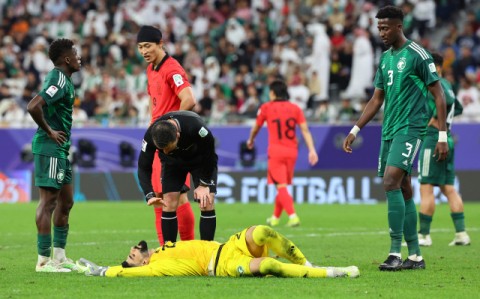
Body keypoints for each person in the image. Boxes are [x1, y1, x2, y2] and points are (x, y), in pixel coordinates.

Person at [343, 6, 449, 271]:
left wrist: (443, 135)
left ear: (399, 26)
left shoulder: (417, 55)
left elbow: (439, 94)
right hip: (389, 131)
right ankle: (415, 256)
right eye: (379, 28)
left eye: (386, 28)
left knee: (390, 181)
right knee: (403, 189)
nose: (382, 32)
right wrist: (355, 129)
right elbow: (377, 98)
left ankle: (394, 252)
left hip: (411, 129)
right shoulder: (386, 59)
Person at [77, 225, 359, 279]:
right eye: (131, 258)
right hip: (223, 265)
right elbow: (129, 275)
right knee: (270, 266)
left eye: (131, 253)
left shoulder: (161, 248)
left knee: (262, 231)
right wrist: (103, 270)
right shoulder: (156, 266)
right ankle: (331, 273)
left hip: (230, 245)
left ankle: (307, 262)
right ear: (141, 264)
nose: (132, 252)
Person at [137, 25, 197, 246]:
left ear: (160, 44)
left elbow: (189, 99)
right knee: (167, 197)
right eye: (140, 47)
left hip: (169, 142)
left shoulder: (171, 68)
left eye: (148, 46)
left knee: (170, 198)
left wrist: (174, 129)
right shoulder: (151, 68)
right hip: (159, 139)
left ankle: (179, 248)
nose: (144, 51)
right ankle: (175, 249)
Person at [26, 39, 82, 272]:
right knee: (48, 202)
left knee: (66, 201)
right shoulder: (58, 78)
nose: (79, 58)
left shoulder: (65, 79)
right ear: (66, 59)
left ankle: (59, 257)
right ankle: (43, 261)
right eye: (76, 54)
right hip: (49, 148)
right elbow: (33, 106)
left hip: (61, 149)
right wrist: (49, 131)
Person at [409, 52, 470, 247]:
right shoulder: (448, 85)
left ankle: (424, 236)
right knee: (449, 188)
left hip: (434, 139)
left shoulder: (436, 85)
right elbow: (457, 107)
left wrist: (434, 118)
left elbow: (447, 103)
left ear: (433, 67)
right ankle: (461, 234)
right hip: (447, 138)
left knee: (425, 187)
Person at [137, 111, 217, 243]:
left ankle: (207, 253)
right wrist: (149, 194)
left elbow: (210, 154)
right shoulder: (151, 135)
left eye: (168, 147)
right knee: (168, 201)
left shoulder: (195, 126)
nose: (165, 151)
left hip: (200, 160)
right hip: (172, 163)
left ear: (178, 136)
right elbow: (143, 167)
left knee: (206, 201)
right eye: (161, 149)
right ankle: (170, 251)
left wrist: (204, 184)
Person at [246, 80, 318, 227]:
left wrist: (251, 139)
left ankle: (293, 216)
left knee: (281, 186)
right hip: (292, 151)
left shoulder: (266, 107)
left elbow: (256, 128)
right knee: (282, 185)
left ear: (272, 93)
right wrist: (312, 150)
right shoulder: (295, 108)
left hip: (276, 151)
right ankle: (274, 218)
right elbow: (305, 130)